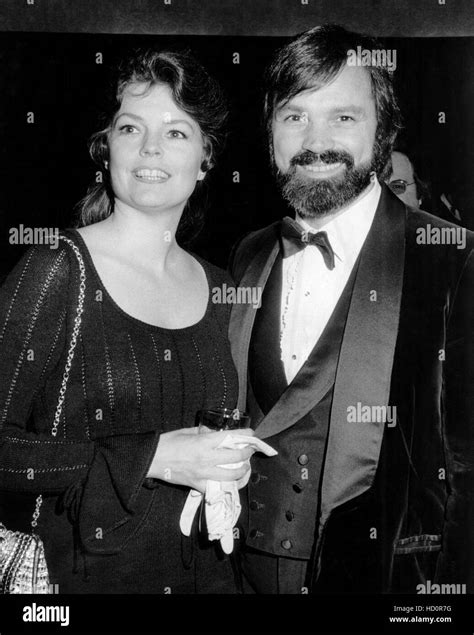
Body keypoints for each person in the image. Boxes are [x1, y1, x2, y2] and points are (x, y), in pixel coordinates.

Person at [229, 25, 474, 594]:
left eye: (343, 117)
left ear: (382, 131)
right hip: (237, 575)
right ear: (269, 135)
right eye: (294, 116)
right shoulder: (251, 252)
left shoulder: (455, 261)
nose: (315, 141)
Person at [0, 49, 254, 594]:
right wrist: (154, 456)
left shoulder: (223, 288)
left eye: (177, 133)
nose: (151, 149)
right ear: (106, 146)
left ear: (207, 158)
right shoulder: (56, 269)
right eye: (131, 127)